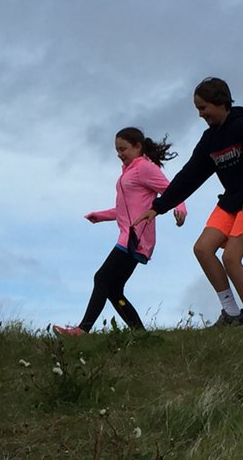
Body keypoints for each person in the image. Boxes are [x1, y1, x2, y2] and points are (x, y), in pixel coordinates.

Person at [133, 77, 243, 327]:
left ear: (221, 102)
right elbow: (190, 175)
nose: (201, 114)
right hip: (231, 201)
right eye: (198, 109)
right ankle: (232, 314)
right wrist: (159, 207)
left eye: (204, 108)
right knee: (202, 249)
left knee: (231, 258)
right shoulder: (210, 139)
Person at [53, 128, 186, 336]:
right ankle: (140, 334)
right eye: (117, 150)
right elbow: (125, 209)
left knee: (101, 278)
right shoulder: (128, 172)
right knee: (114, 290)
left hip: (136, 238)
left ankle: (82, 330)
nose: (119, 154)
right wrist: (101, 215)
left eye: (123, 149)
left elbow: (171, 191)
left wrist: (180, 208)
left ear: (137, 146)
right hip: (127, 236)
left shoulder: (144, 168)